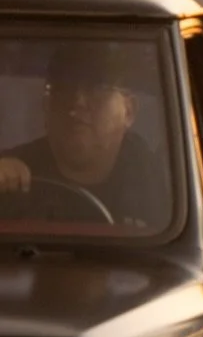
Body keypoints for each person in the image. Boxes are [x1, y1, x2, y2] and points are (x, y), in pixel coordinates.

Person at [0, 41, 167, 228]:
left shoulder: (164, 185)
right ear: (46, 106)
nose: (78, 101)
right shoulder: (9, 172)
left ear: (129, 111)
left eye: (97, 89)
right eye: (64, 89)